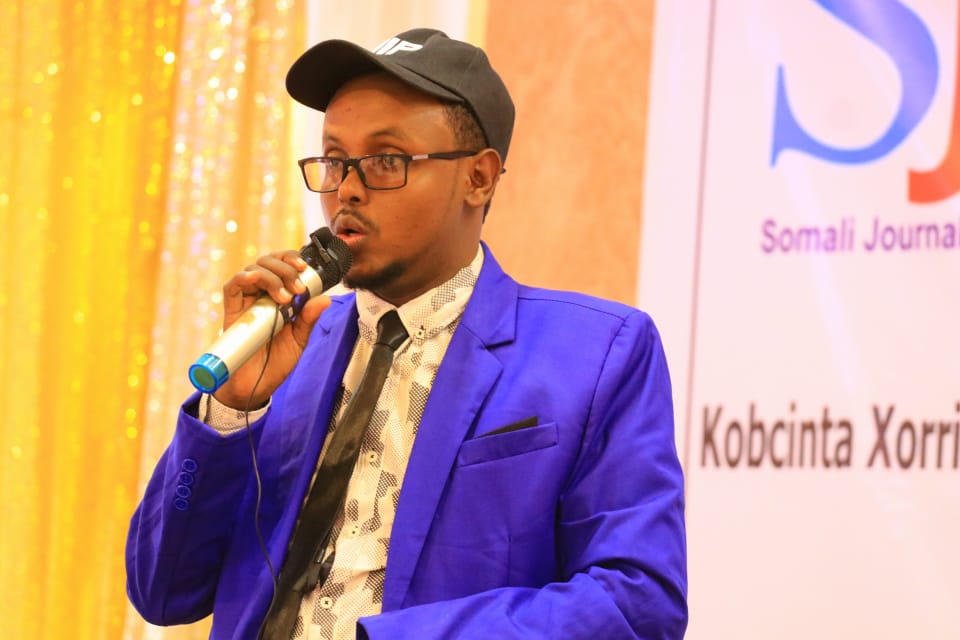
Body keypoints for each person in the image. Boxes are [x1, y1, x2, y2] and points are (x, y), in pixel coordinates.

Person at [126, 28, 687, 640]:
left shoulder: (597, 353)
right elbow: (163, 589)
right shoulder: (287, 348)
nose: (348, 188)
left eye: (386, 161)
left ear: (479, 178)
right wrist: (232, 408)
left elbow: (637, 602)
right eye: (335, 160)